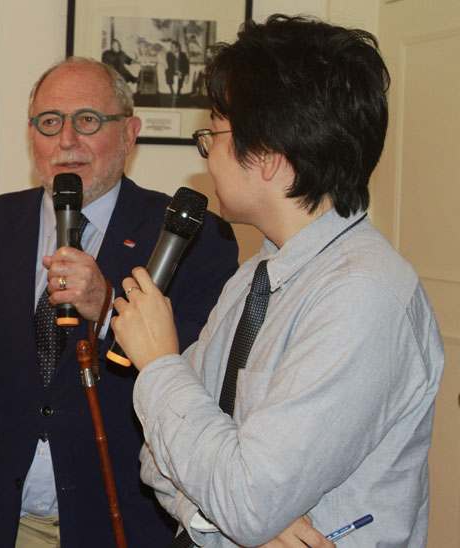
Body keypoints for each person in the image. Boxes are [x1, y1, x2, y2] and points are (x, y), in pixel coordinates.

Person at [0, 58, 239, 547]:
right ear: (32, 137)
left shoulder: (190, 236)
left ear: (129, 134)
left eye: (87, 120)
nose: (66, 140)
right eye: (49, 122)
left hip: (123, 523)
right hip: (1, 523)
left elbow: (206, 377)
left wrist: (108, 305)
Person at [111, 15, 444, 548]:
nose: (208, 155)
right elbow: (156, 458)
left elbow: (243, 494)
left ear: (267, 154)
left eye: (214, 133)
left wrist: (159, 365)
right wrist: (218, 519)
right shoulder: (255, 277)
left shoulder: (363, 296)